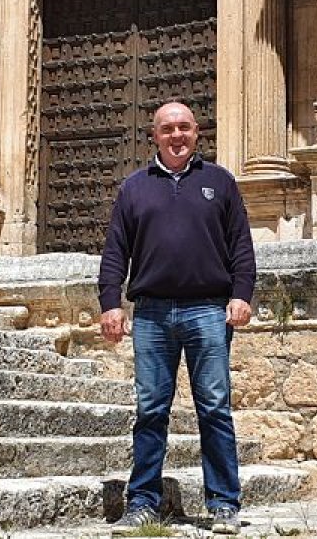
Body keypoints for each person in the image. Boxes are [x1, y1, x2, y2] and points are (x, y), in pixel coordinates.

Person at [99, 101, 254, 536]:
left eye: (184, 127)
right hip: (151, 314)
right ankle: (143, 502)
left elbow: (241, 245)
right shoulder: (134, 188)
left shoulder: (219, 182)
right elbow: (115, 252)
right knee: (150, 410)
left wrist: (241, 295)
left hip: (208, 309)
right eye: (168, 128)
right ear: (155, 135)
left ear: (197, 132)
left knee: (215, 408)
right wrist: (111, 303)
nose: (177, 135)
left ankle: (224, 504)